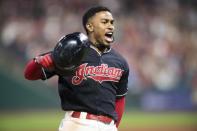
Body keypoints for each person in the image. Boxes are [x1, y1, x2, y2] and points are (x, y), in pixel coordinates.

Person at [24, 6, 129, 131]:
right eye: (104, 22)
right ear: (90, 27)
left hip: (109, 127)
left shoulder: (120, 61)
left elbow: (119, 100)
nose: (111, 26)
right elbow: (29, 75)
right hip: (79, 124)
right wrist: (38, 63)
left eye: (112, 22)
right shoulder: (71, 51)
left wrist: (114, 127)